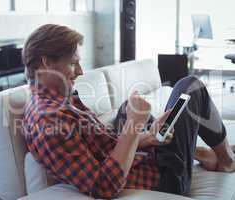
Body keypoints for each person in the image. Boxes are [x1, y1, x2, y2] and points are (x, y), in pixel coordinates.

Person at [22, 24, 235, 199]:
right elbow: (103, 186)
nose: (80, 71)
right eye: (73, 63)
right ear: (47, 62)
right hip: (163, 180)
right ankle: (226, 161)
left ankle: (195, 151)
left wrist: (147, 137)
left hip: (143, 160)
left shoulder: (59, 97)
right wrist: (134, 127)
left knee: (127, 107)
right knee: (190, 86)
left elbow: (105, 146)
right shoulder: (48, 122)